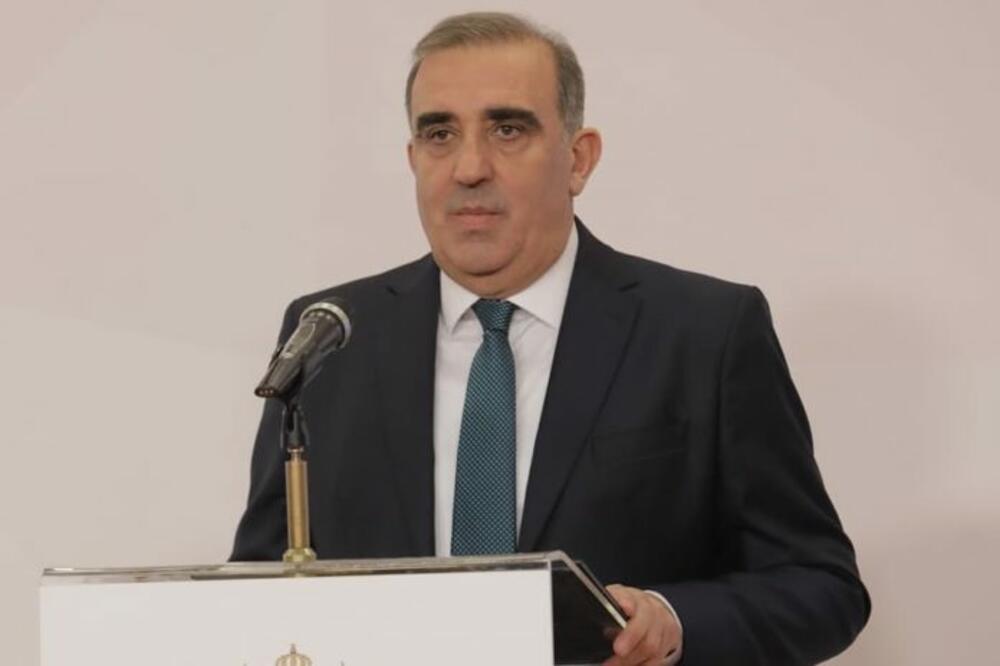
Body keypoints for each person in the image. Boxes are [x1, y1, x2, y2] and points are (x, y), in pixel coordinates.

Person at [232, 12, 870, 665]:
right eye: (440, 134)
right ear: (413, 158)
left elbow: (821, 586)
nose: (469, 167)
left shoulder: (705, 332)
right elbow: (253, 588)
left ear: (578, 158)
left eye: (507, 130)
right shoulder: (332, 334)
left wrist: (674, 621)